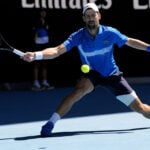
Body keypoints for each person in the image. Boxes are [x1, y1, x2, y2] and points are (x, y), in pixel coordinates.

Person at [23, 3, 150, 137]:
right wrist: (36, 55)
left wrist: (149, 47)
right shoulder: (78, 36)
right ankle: (50, 123)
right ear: (83, 19)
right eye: (87, 16)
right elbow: (57, 50)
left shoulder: (110, 33)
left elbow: (129, 41)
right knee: (77, 92)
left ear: (99, 16)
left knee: (140, 109)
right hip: (92, 74)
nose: (90, 18)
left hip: (111, 74)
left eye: (93, 15)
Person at [32, 10, 54, 90]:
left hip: (46, 43)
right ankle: (36, 83)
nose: (43, 13)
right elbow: (34, 31)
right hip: (38, 44)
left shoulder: (47, 21)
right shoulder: (36, 21)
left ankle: (44, 82)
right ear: (39, 13)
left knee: (45, 63)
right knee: (37, 63)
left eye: (45, 12)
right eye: (42, 12)